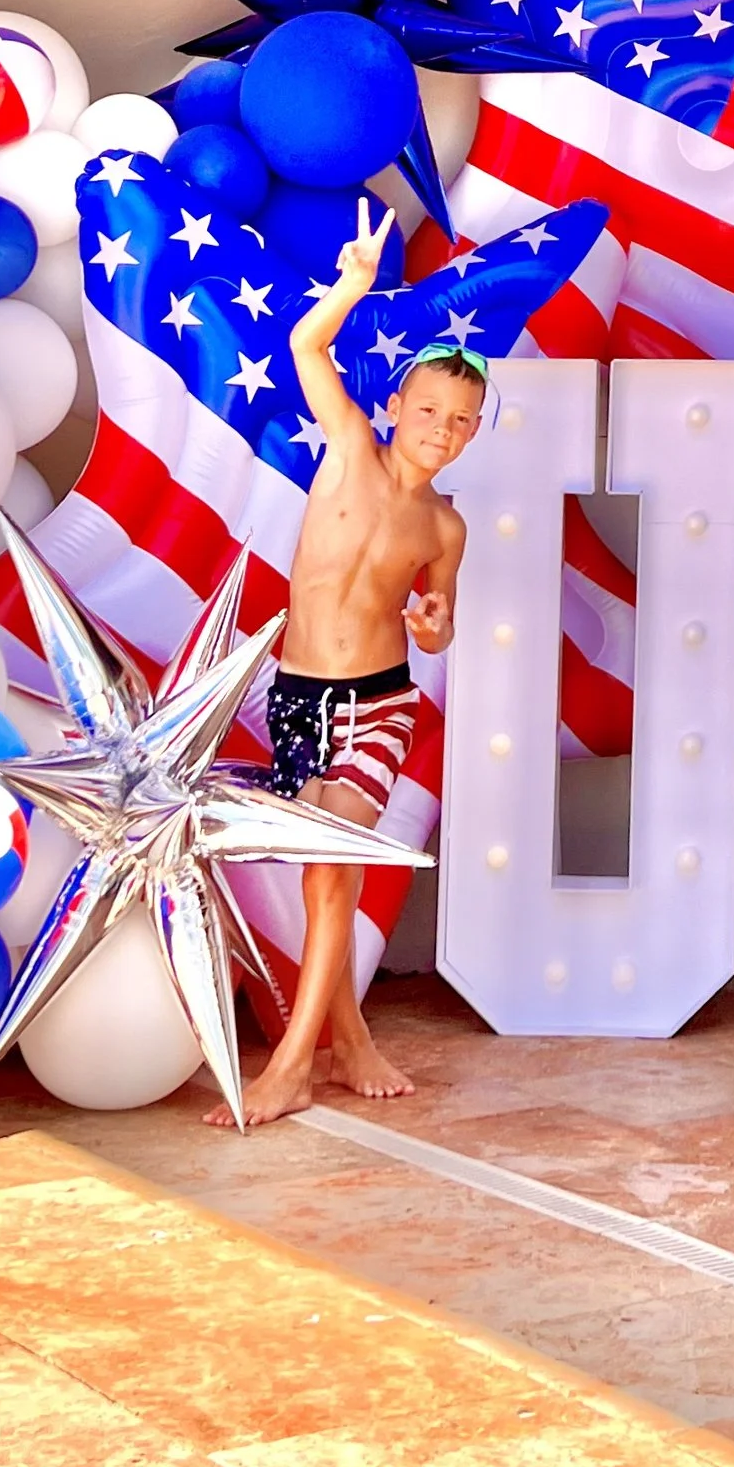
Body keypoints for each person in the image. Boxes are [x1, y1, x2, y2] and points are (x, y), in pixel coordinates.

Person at [218, 205, 486, 1126]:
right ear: (399, 409)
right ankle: (354, 1041)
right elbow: (304, 349)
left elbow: (440, 628)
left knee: (333, 865)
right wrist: (352, 285)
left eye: (462, 422)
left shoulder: (445, 525)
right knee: (316, 872)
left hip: (379, 701)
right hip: (298, 697)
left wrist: (437, 618)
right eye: (430, 413)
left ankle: (294, 1062)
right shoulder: (346, 454)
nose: (442, 433)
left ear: (475, 430)